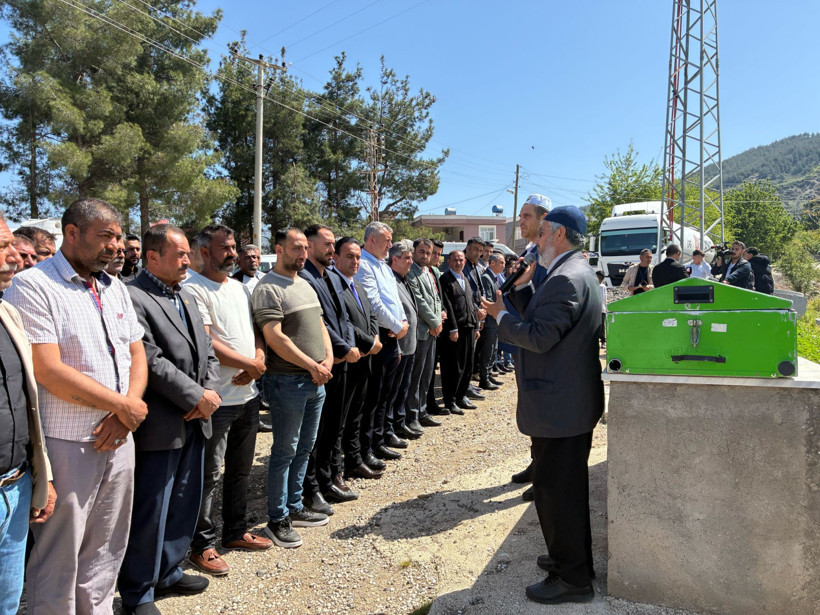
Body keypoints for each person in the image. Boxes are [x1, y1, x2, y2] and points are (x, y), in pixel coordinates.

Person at [6, 198, 148, 614]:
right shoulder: (34, 285)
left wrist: (126, 413)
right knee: (59, 557)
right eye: (106, 236)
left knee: (106, 547)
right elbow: (48, 369)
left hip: (119, 439)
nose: (116, 246)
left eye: (119, 237)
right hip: (68, 442)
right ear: (72, 234)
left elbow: (135, 354)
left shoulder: (114, 286)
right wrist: (124, 406)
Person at [483, 205, 603, 605]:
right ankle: (570, 561)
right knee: (562, 491)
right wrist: (521, 290)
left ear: (559, 234)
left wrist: (501, 315)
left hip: (559, 407)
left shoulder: (566, 280)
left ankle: (574, 581)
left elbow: (538, 337)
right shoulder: (574, 273)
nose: (535, 241)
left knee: (558, 495)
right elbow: (548, 319)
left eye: (541, 233)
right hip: (566, 403)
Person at [119, 224, 222, 613]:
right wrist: (196, 396)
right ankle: (138, 592)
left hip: (197, 417)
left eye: (186, 254)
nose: (187, 259)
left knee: (184, 501)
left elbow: (207, 349)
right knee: (152, 509)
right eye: (179, 254)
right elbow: (149, 359)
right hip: (162, 423)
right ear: (152, 257)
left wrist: (207, 395)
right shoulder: (134, 296)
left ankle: (169, 570)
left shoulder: (184, 294)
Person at [184, 225, 271, 578]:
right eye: (225, 248)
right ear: (205, 252)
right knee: (209, 475)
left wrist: (259, 361)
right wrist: (249, 364)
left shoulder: (238, 287)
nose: (233, 253)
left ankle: (235, 532)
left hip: (248, 395)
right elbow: (207, 343)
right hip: (217, 398)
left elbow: (256, 331)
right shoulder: (193, 288)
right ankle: (201, 545)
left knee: (240, 471)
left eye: (234, 246)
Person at [252, 228, 334, 549]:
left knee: (304, 448)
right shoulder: (268, 288)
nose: (301, 254)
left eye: (304, 249)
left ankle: (296, 506)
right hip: (288, 381)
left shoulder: (306, 285)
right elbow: (275, 338)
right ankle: (277, 518)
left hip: (316, 380)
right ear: (279, 250)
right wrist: (312, 366)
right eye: (296, 248)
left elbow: (320, 326)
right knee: (284, 451)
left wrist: (326, 359)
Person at [0, 211, 56, 614]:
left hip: (16, 487)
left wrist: (40, 477)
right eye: (3, 249)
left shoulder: (8, 315)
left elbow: (25, 405)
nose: (16, 259)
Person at [299, 224, 358, 515]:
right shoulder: (305, 278)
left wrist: (347, 345)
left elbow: (343, 317)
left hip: (340, 361)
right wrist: (343, 348)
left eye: (333, 244)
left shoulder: (330, 275)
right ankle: (311, 488)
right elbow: (318, 322)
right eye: (327, 244)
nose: (331, 250)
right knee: (317, 431)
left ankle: (330, 477)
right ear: (309, 246)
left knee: (335, 425)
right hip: (321, 364)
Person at [330, 237, 383, 480]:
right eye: (349, 256)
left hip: (365, 360)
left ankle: (354, 460)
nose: (355, 261)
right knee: (339, 419)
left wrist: (374, 338)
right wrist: (369, 343)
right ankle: (334, 469)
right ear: (336, 257)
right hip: (347, 360)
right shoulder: (334, 287)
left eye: (358, 257)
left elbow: (371, 315)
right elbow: (346, 323)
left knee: (357, 414)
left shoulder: (357, 286)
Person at [355, 222, 409, 461]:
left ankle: (379, 440)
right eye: (386, 240)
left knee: (385, 394)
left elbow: (394, 301)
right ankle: (365, 448)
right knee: (373, 397)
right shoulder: (364, 265)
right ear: (371, 240)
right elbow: (374, 304)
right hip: (378, 338)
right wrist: (398, 327)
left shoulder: (384, 267)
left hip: (392, 338)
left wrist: (402, 321)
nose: (390, 244)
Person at [404, 238, 443, 431]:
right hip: (420, 331)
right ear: (414, 251)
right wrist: (435, 322)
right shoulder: (411, 272)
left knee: (427, 374)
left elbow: (435, 298)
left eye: (428, 253)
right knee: (416, 375)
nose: (426, 256)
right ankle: (411, 416)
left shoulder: (429, 271)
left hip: (432, 331)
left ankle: (422, 411)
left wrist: (439, 318)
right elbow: (419, 300)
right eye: (422, 252)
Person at [386, 241, 420, 441]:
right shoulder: (391, 281)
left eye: (410, 257)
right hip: (399, 345)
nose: (410, 261)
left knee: (403, 389)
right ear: (395, 259)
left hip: (410, 345)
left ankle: (400, 423)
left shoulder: (404, 280)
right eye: (407, 258)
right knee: (393, 391)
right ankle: (389, 429)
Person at [439, 250, 480, 414]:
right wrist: (453, 328)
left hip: (469, 327)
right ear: (448, 261)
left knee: (468, 364)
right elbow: (447, 305)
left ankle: (462, 396)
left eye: (461, 260)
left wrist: (476, 325)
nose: (458, 262)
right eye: (455, 260)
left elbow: (471, 303)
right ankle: (450, 400)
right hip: (455, 330)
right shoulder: (446, 279)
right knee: (453, 366)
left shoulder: (465, 279)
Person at [425, 239, 448, 416]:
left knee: (431, 370)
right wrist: (435, 322)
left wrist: (442, 312)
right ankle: (426, 405)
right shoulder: (420, 272)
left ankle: (430, 403)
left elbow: (439, 298)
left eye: (439, 254)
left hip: (437, 327)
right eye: (435, 253)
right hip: (427, 329)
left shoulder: (435, 272)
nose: (436, 257)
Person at [478, 253, 505, 390]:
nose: (503, 265)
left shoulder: (494, 277)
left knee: (493, 348)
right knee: (488, 348)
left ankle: (488, 374)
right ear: (492, 263)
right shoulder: (486, 277)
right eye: (501, 262)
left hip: (495, 320)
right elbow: (488, 299)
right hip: (489, 320)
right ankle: (484, 378)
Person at [596, 271, 607, 347]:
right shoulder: (594, 285)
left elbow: (602, 298)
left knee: (602, 326)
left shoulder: (602, 286)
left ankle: (603, 341)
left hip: (600, 309)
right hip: (596, 309)